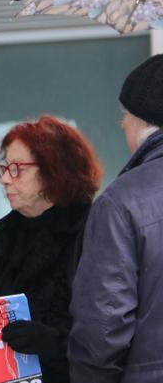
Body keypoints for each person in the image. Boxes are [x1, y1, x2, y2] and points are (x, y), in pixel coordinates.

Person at [0, 115, 102, 383]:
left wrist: (54, 344)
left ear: (53, 171)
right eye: (4, 168)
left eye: (17, 169)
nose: (5, 180)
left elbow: (109, 329)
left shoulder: (93, 229)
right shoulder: (2, 235)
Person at [68, 55, 163, 383]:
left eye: (125, 115)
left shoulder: (121, 202)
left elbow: (103, 330)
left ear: (144, 121)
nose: (122, 124)